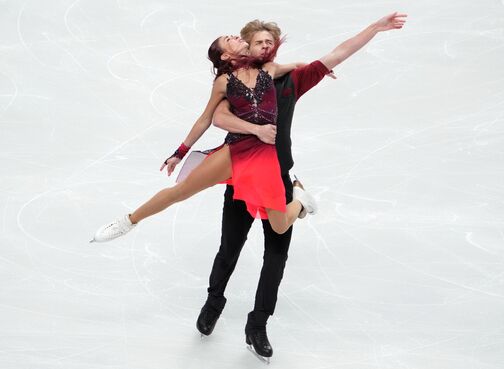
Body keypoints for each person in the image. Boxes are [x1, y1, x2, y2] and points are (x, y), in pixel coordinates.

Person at [195, 13, 407, 361]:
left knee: (275, 256)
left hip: (277, 177)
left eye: (269, 41)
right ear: (246, 46)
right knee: (229, 248)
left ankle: (258, 325)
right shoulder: (232, 81)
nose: (265, 45)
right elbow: (216, 117)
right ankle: (214, 301)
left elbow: (338, 53)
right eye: (258, 41)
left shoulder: (292, 79)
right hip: (242, 176)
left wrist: (373, 28)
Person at [91, 31, 321, 244]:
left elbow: (287, 68)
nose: (237, 37)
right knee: (180, 191)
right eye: (230, 39)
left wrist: (310, 68)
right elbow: (205, 119)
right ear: (225, 55)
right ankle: (129, 221)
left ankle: (300, 200)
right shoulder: (224, 82)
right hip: (237, 151)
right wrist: (179, 153)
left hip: (263, 156)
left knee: (279, 226)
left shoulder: (264, 69)